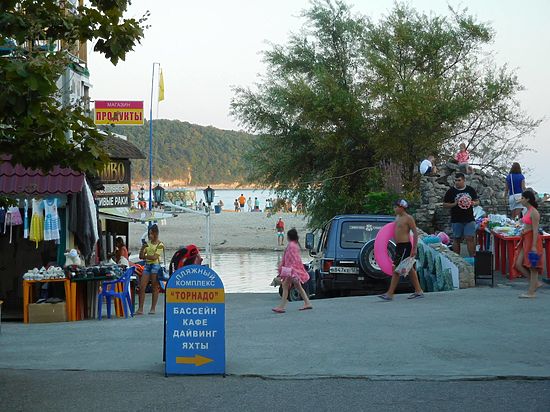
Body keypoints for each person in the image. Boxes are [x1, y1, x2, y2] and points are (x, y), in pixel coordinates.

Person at [378, 199, 424, 301]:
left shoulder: (408, 218)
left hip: (405, 246)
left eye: (396, 207)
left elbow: (415, 233)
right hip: (399, 246)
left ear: (402, 207)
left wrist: (414, 248)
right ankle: (418, 291)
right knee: (410, 268)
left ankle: (390, 294)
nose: (394, 209)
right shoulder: (397, 218)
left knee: (396, 269)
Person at [511, 191, 544, 298]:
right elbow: (524, 223)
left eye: (522, 198)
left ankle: (531, 292)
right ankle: (535, 283)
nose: (521, 200)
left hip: (532, 240)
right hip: (525, 239)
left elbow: (535, 230)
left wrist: (534, 246)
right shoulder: (527, 211)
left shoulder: (534, 213)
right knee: (518, 264)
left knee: (533, 266)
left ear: (528, 199)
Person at [272, 229, 312, 313]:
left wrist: (285, 271)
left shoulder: (291, 246)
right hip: (294, 270)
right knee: (297, 287)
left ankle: (281, 307)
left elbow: (289, 260)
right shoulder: (295, 245)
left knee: (285, 286)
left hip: (291, 271)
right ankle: (307, 303)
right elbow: (295, 260)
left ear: (289, 237)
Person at [443, 173, 479, 256]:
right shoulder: (451, 191)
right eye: (455, 180)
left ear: (464, 180)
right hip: (456, 219)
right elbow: (445, 205)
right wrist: (454, 204)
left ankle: (472, 259)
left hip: (469, 218)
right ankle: (457, 259)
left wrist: (474, 203)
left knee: (470, 238)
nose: (457, 182)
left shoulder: (470, 190)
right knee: (456, 239)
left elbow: (477, 201)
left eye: (459, 180)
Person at [138, 224, 164, 315]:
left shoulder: (160, 244)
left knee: (154, 287)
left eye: (151, 234)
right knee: (142, 286)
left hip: (155, 266)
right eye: (149, 234)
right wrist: (142, 248)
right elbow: (140, 256)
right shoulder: (147, 244)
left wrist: (145, 256)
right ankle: (140, 308)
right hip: (147, 265)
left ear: (156, 234)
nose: (150, 236)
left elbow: (154, 257)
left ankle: (153, 308)